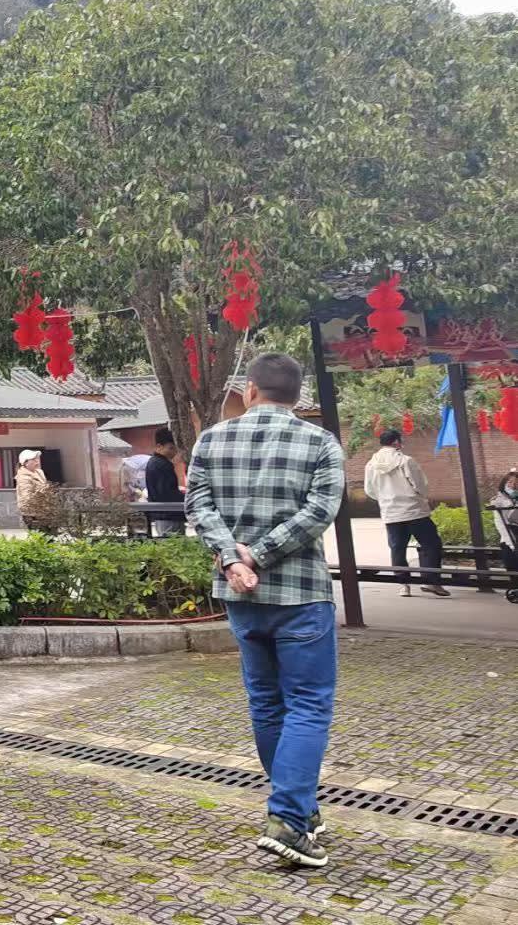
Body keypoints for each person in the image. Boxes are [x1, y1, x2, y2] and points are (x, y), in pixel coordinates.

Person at [185, 352, 343, 869]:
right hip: (302, 594)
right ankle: (289, 820)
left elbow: (199, 507)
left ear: (250, 390)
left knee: (267, 704)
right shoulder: (321, 442)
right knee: (308, 705)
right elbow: (319, 512)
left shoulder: (210, 441)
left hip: (242, 598)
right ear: (297, 395)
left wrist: (234, 559)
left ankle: (300, 809)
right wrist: (261, 553)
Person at [364, 427, 447, 597]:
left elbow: (369, 490)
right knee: (431, 545)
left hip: (391, 514)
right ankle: (431, 581)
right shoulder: (406, 461)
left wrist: (385, 499)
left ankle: (404, 585)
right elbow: (420, 485)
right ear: (396, 442)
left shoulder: (371, 465)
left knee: (397, 549)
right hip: (414, 511)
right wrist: (421, 497)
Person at [144, 429, 187, 536]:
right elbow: (167, 493)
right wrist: (186, 498)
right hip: (169, 514)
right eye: (171, 448)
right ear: (159, 446)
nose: (174, 452)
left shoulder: (154, 462)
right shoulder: (162, 464)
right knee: (174, 541)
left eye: (175, 449)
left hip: (163, 514)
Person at [14, 449, 51, 528]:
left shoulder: (39, 472)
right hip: (32, 512)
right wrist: (43, 493)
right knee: (40, 533)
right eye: (33, 460)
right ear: (25, 463)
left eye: (37, 459)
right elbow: (27, 497)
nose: (37, 461)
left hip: (44, 510)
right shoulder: (23, 476)